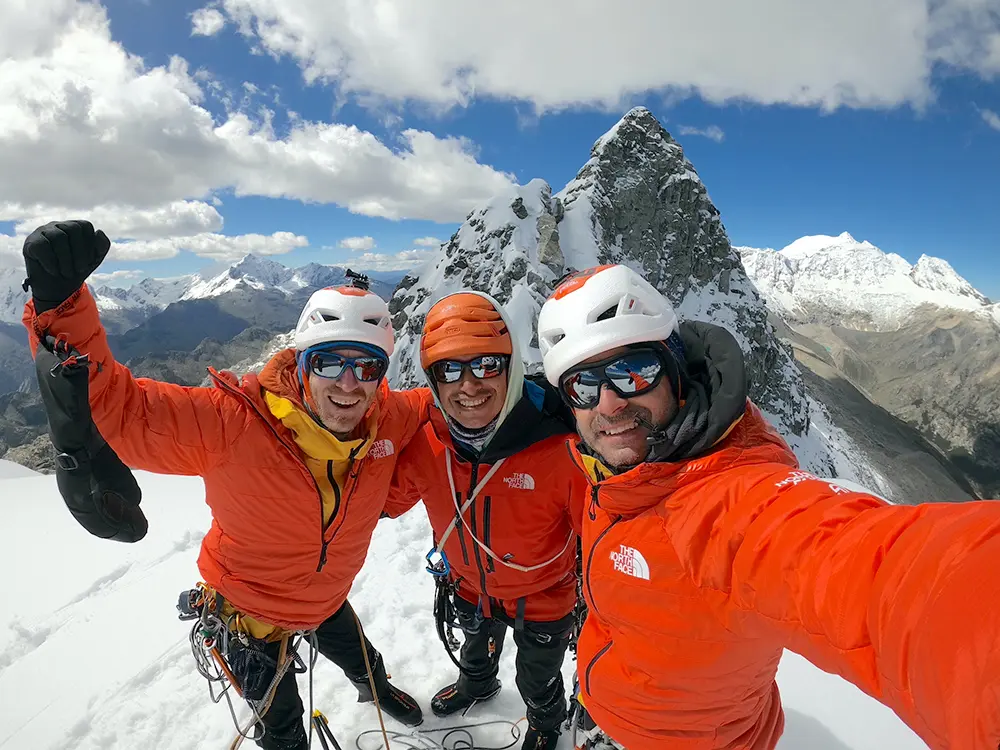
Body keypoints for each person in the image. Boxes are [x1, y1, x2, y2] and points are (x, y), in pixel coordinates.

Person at [535, 263, 1000, 750]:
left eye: (634, 372)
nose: (609, 404)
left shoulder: (726, 506)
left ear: (675, 369)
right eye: (583, 386)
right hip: (613, 712)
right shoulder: (609, 470)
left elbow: (877, 571)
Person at [20, 220, 435, 750]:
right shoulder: (233, 423)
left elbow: (455, 406)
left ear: (383, 373)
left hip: (325, 596)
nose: (348, 385)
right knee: (282, 728)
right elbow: (123, 410)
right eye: (329, 362)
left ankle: (375, 689)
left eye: (367, 366)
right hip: (247, 611)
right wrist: (61, 308)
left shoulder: (390, 417)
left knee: (363, 658)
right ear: (302, 363)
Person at [383, 292, 587, 750]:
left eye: (488, 365)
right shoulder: (425, 442)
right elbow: (384, 502)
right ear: (433, 379)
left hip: (545, 593)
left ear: (511, 366)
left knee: (537, 675)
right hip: (469, 584)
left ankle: (545, 720)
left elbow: (601, 532)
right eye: (449, 370)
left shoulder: (562, 446)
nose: (469, 385)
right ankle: (478, 685)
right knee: (475, 650)